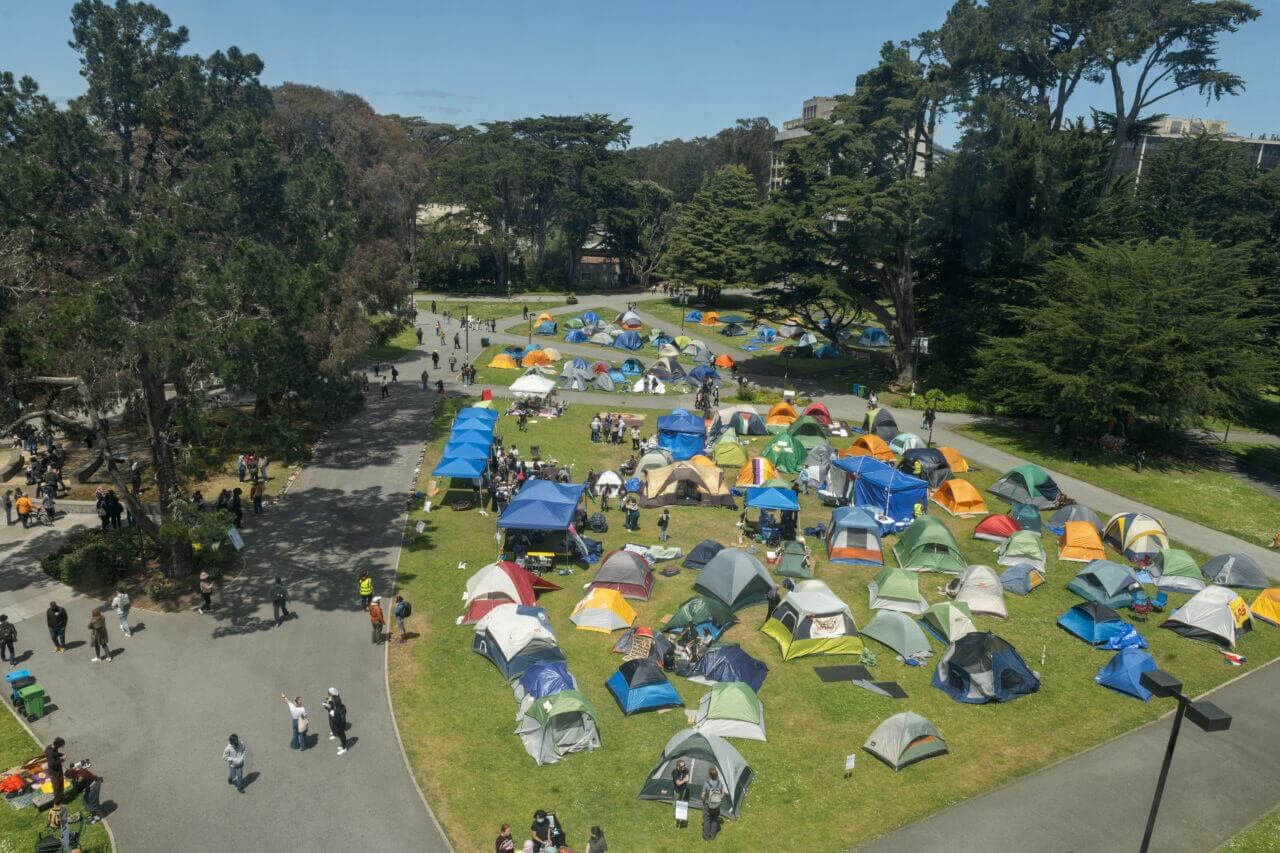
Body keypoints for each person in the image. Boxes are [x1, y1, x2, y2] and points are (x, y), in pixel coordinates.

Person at [701, 766, 725, 840]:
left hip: (708, 805)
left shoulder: (706, 784)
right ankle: (712, 836)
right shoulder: (720, 783)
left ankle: (706, 836)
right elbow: (723, 793)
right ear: (717, 774)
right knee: (714, 820)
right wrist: (719, 798)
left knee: (707, 820)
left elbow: (702, 795)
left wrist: (704, 801)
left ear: (709, 775)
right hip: (717, 806)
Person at [323, 687, 349, 755]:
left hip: (340, 725)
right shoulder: (338, 707)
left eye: (333, 701)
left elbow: (339, 719)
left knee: (342, 736)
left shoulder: (339, 709)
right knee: (341, 736)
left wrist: (333, 714)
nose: (331, 700)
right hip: (338, 724)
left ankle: (344, 748)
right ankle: (343, 745)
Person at [45, 738, 66, 805]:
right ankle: (57, 802)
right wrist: (62, 760)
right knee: (57, 787)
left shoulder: (54, 748)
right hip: (54, 772)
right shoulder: (49, 752)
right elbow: (52, 764)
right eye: (61, 745)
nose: (61, 747)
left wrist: (61, 755)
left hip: (58, 769)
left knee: (61, 783)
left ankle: (61, 798)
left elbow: (56, 754)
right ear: (57, 744)